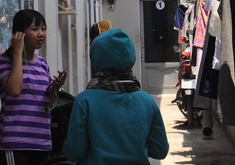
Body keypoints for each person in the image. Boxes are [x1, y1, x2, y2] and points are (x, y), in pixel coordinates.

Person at [63, 28, 169, 164]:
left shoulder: (85, 100)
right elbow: (160, 150)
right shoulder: (147, 100)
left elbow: (74, 152)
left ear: (96, 58)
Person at [0, 9, 68, 165]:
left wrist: (55, 88)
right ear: (20, 34)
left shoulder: (42, 64)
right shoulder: (3, 61)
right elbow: (14, 90)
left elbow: (48, 104)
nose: (41, 34)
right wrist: (18, 52)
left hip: (41, 141)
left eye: (43, 28)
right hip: (15, 142)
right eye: (34, 29)